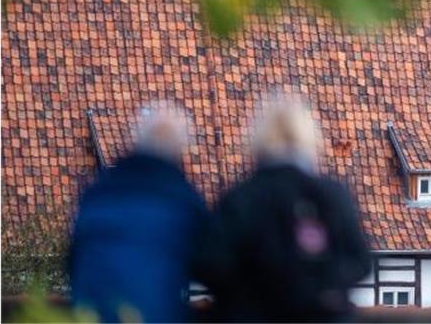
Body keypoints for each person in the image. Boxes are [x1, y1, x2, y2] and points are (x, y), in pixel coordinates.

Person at [197, 97, 373, 322]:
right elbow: (361, 262)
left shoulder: (241, 198)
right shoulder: (331, 196)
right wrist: (321, 286)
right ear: (310, 141)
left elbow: (209, 264)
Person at [68, 103, 209, 323]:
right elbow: (208, 266)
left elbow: (73, 258)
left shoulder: (97, 194)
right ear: (179, 149)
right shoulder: (184, 201)